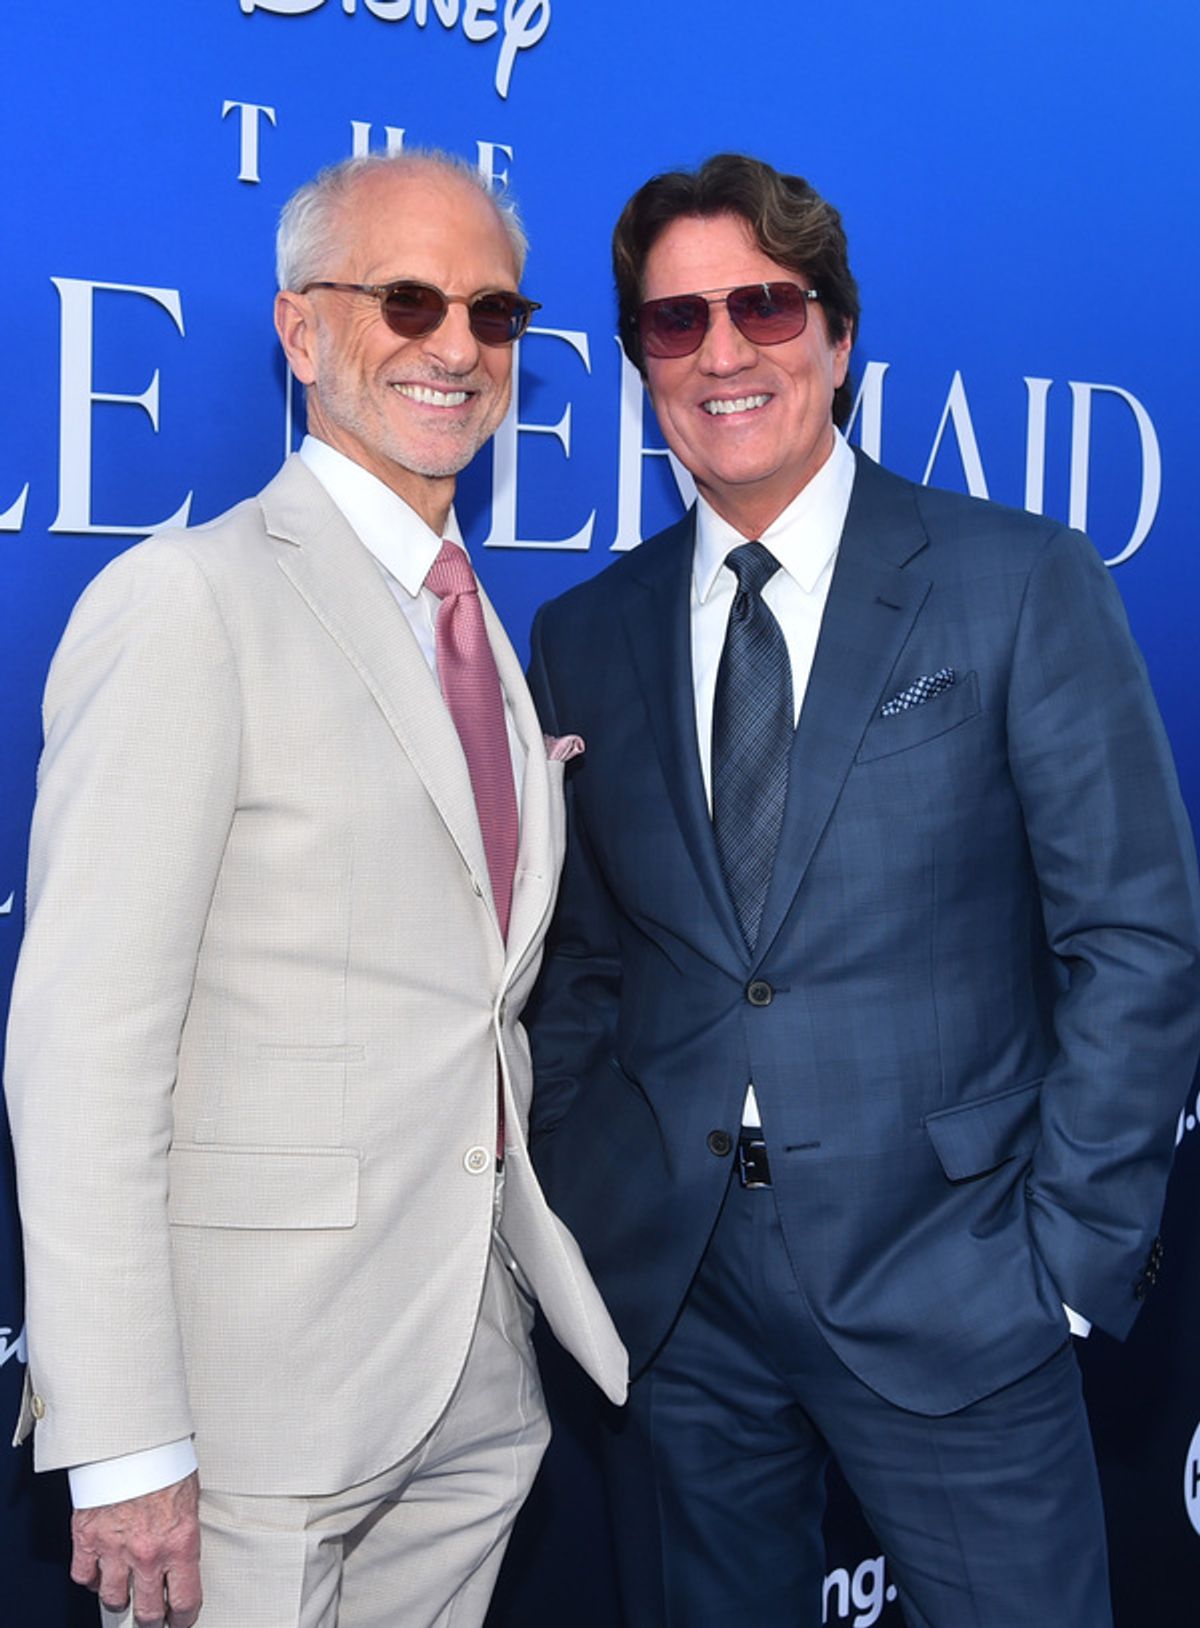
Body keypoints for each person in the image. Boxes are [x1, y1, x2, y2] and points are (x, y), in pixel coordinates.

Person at [524, 151, 1200, 1628]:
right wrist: (594, 1189)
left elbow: (1136, 937)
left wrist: (1064, 1264)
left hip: (959, 1286)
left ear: (837, 333)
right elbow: (578, 966)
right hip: (685, 1303)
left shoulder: (1014, 580)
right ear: (641, 360)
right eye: (674, 322)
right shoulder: (584, 634)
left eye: (764, 308)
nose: (723, 354)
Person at [4, 148, 625, 1628]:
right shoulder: (190, 605)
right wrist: (126, 1436)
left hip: (473, 1369)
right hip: (252, 1409)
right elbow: (83, 1048)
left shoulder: (482, 626)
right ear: (301, 334)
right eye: (407, 299)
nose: (455, 345)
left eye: (494, 311)